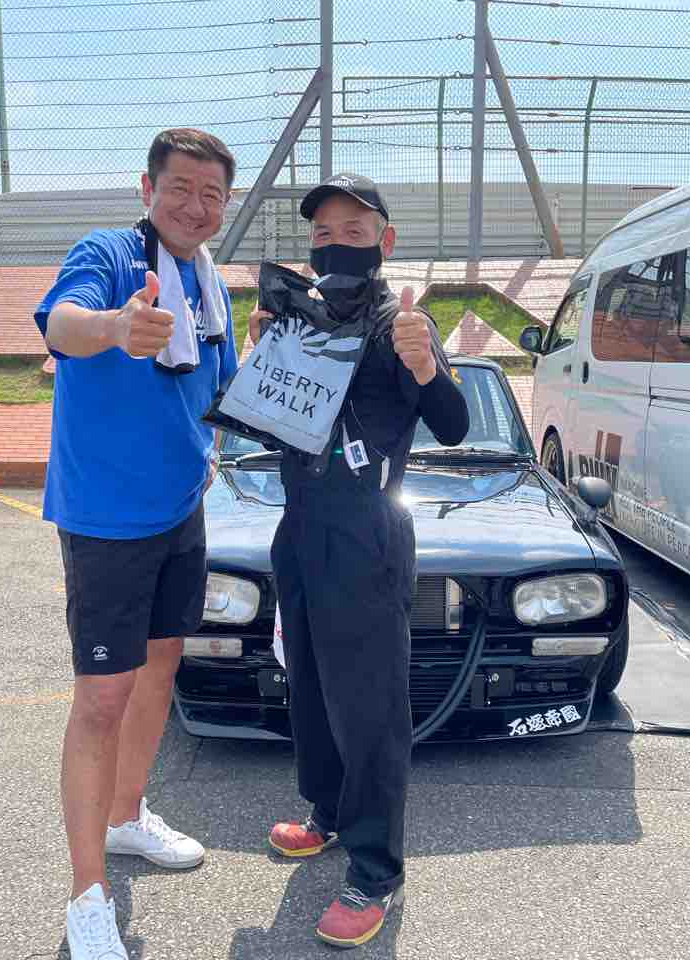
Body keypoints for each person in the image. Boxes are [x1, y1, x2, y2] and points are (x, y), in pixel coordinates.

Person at [249, 173, 470, 949]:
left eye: (353, 229)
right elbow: (270, 427)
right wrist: (261, 361)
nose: (334, 242)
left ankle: (375, 869)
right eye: (322, 233)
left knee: (369, 707)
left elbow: (452, 424)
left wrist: (426, 366)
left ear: (385, 239)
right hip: (300, 528)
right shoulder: (299, 320)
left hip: (367, 536)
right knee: (309, 683)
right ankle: (327, 812)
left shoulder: (401, 323)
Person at [33, 128, 238, 960]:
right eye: (180, 187)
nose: (196, 205)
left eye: (212, 193)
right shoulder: (111, 255)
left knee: (160, 668)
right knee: (101, 699)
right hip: (107, 520)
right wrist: (118, 324)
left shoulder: (210, 285)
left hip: (180, 512)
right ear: (147, 189)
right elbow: (61, 325)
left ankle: (125, 817)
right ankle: (86, 896)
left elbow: (225, 395)